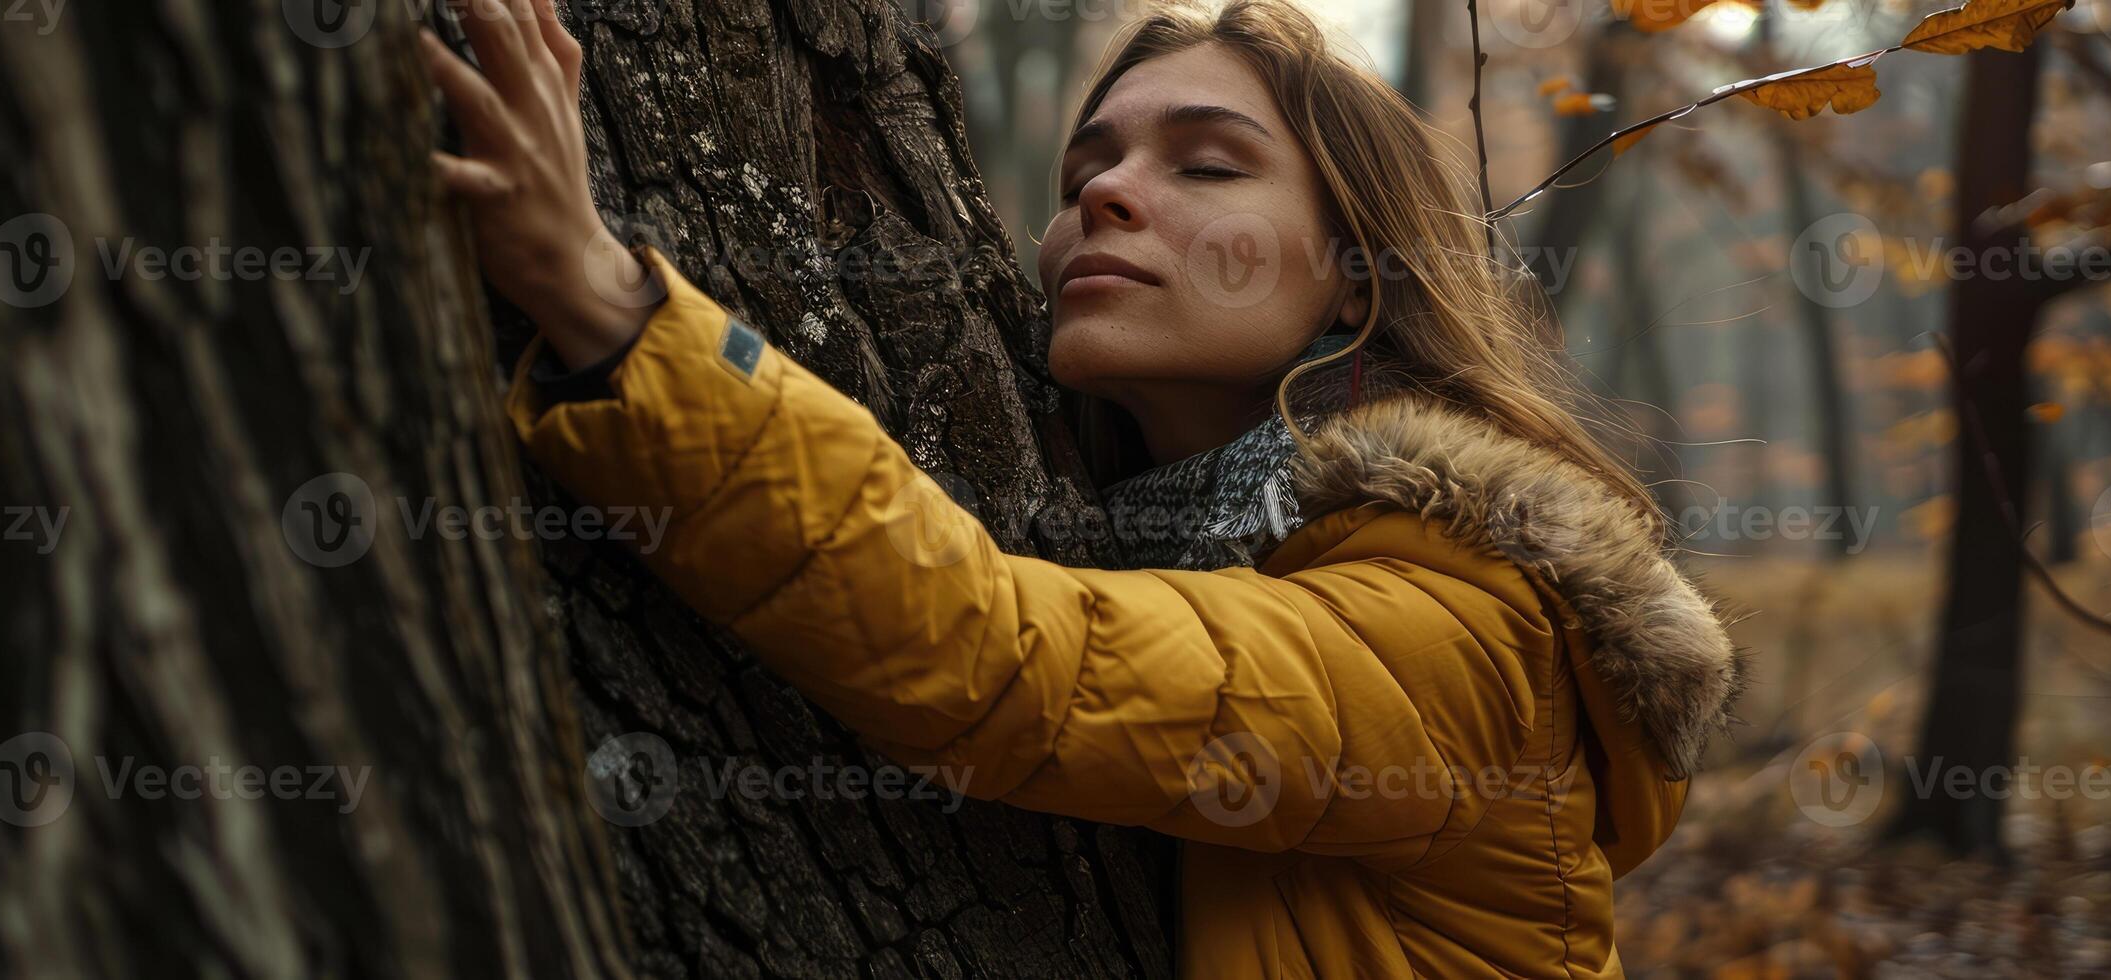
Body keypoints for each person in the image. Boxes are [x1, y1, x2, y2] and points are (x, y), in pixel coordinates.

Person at [424, 0, 1745, 974]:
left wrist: (607, 309)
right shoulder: (1183, 550)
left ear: (1357, 274)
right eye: (1084, 173)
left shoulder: (1468, 629)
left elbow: (1006, 663)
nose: (1109, 194)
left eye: (1207, 164)